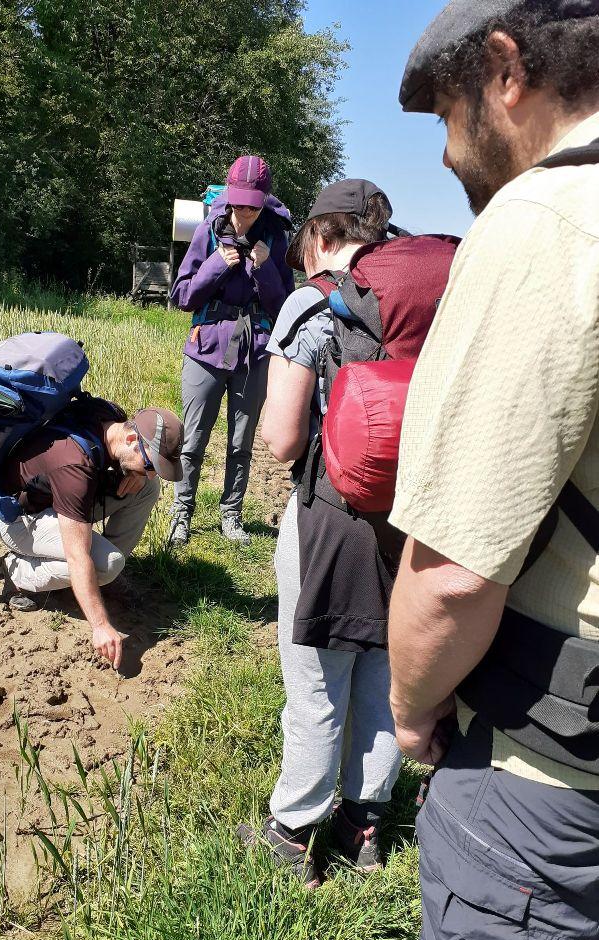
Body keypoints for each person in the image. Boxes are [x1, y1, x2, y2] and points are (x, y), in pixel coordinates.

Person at [390, 3, 599, 940]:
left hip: (545, 778)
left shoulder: (543, 225)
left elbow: (449, 574)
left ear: (504, 72)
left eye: (442, 112)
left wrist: (407, 705)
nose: (440, 150)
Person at [238, 180, 404, 887]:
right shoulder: (415, 305)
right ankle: (364, 827)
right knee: (385, 679)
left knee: (315, 686)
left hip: (330, 519)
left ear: (318, 235)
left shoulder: (312, 302)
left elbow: (278, 439)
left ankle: (291, 831)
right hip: (411, 523)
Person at [0, 402, 184, 670]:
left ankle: (100, 581)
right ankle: (17, 572)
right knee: (107, 563)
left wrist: (141, 476)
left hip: (56, 500)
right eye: (150, 464)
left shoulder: (113, 420)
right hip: (20, 520)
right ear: (131, 439)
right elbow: (77, 554)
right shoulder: (75, 466)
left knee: (147, 489)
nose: (151, 472)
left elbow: (124, 473)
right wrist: (101, 625)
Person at [168, 155, 294, 548]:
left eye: (252, 206)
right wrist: (214, 266)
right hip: (206, 349)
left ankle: (231, 516)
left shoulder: (275, 238)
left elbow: (285, 307)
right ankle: (181, 516)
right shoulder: (209, 228)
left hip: (254, 350)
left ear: (263, 202)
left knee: (242, 442)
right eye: (238, 204)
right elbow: (182, 296)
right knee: (192, 439)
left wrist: (266, 267)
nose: (243, 213)